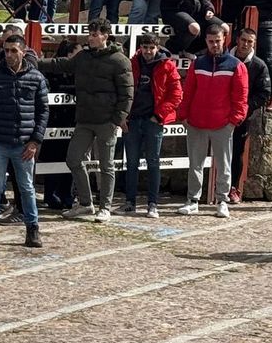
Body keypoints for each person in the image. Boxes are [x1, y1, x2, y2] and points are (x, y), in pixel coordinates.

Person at [40, 18, 132, 222]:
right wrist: (35, 61)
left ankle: (105, 207)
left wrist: (118, 118)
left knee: (106, 165)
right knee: (73, 159)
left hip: (106, 121)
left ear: (105, 36)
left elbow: (127, 93)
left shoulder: (119, 60)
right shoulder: (83, 57)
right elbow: (61, 64)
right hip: (84, 119)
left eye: (94, 34)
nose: (90, 38)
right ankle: (85, 203)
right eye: (89, 34)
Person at [0, 31, 47, 248]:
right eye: (6, 51)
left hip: (24, 143)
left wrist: (35, 141)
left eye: (14, 51)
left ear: (23, 52)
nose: (9, 55)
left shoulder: (36, 78)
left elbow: (43, 111)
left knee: (27, 188)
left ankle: (33, 231)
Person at [177, 20, 248, 217]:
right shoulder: (197, 63)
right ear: (206, 41)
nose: (214, 45)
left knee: (224, 164)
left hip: (222, 123)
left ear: (224, 39)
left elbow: (241, 96)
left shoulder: (236, 66)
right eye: (210, 41)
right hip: (196, 122)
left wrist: (234, 120)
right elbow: (188, 90)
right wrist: (183, 115)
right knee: (195, 163)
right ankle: (193, 200)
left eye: (217, 41)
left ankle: (222, 200)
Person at [121, 29, 180, 218]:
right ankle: (130, 201)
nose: (148, 51)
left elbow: (176, 94)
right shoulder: (132, 63)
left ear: (157, 47)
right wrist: (124, 115)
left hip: (154, 120)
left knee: (153, 162)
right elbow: (123, 89)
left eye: (151, 48)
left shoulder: (167, 65)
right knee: (131, 162)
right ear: (140, 47)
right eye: (145, 47)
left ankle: (152, 203)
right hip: (134, 118)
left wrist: (159, 115)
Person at [229, 26, 268, 202]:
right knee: (218, 151)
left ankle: (234, 188)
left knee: (237, 152)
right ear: (238, 39)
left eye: (249, 42)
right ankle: (218, 187)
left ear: (254, 44)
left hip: (243, 117)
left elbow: (263, 93)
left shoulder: (259, 66)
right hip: (220, 114)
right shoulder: (224, 59)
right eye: (243, 40)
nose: (245, 44)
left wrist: (245, 107)